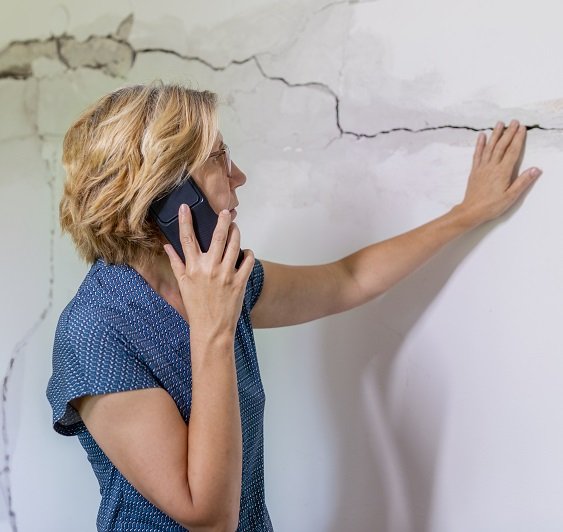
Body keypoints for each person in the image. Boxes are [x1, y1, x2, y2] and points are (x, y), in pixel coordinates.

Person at [46, 82, 541, 532]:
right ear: (165, 193)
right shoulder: (94, 331)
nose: (239, 176)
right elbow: (208, 514)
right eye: (218, 158)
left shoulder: (222, 277)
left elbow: (350, 279)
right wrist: (214, 326)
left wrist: (465, 214)